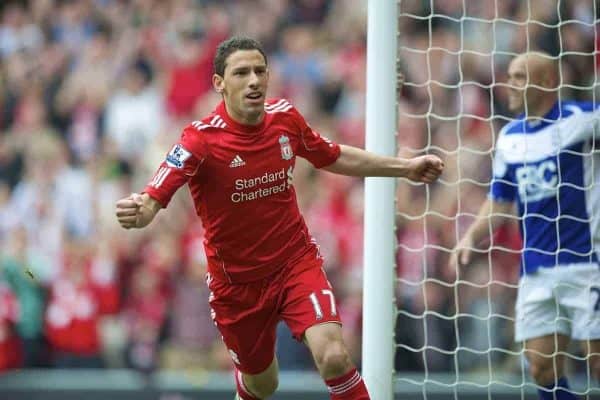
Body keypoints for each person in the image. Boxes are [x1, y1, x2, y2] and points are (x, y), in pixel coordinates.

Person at [115, 36, 444, 400]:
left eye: (260, 71)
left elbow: (332, 155)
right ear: (219, 84)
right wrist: (138, 211)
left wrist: (405, 168)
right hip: (236, 287)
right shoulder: (199, 141)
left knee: (333, 354)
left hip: (294, 264)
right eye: (241, 73)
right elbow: (152, 197)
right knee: (262, 384)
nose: (254, 80)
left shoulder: (284, 117)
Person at [451, 51, 600, 400]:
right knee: (540, 366)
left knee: (596, 360)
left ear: (548, 82)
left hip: (587, 263)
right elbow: (500, 198)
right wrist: (471, 235)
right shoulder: (510, 137)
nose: (510, 84)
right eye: (510, 76)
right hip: (535, 269)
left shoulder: (583, 120)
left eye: (519, 77)